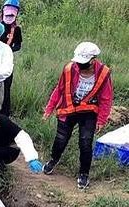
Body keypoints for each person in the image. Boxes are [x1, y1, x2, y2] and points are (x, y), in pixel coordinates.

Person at [42, 42, 113, 189]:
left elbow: (106, 98)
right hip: (68, 108)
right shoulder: (69, 69)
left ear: (93, 60)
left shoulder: (103, 73)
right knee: (61, 139)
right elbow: (59, 89)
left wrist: (101, 120)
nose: (79, 65)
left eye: (83, 63)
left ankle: (84, 173)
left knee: (85, 143)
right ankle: (53, 160)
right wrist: (49, 108)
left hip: (89, 113)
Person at [0, 0, 22, 117]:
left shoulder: (16, 29)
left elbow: (18, 45)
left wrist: (9, 50)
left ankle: (5, 114)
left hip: (7, 62)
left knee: (6, 89)